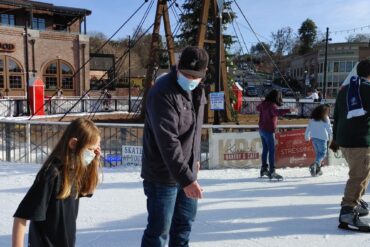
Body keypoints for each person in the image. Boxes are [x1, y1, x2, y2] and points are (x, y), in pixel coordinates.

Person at [141, 46, 208, 247]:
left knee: (183, 227)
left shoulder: (199, 91)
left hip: (186, 172)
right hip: (162, 176)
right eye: (186, 74)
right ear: (178, 67)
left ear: (203, 74)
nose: (190, 79)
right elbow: (168, 141)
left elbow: (194, 131)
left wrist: (194, 158)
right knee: (159, 231)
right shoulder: (162, 92)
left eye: (195, 76)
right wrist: (187, 179)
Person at [12, 118, 101, 246]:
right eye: (90, 150)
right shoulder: (52, 174)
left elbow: (88, 190)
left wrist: (95, 162)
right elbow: (21, 217)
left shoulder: (73, 170)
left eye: (95, 150)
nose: (92, 154)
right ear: (73, 144)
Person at [332, 59, 370, 231]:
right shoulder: (367, 89)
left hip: (345, 140)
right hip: (360, 140)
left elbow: (337, 115)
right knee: (359, 175)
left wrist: (335, 139)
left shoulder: (345, 89)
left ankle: (357, 200)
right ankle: (348, 209)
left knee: (362, 171)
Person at [257, 89, 295, 180]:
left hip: (261, 129)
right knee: (272, 151)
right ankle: (272, 171)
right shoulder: (272, 105)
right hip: (268, 130)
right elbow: (277, 112)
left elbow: (257, 108)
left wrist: (263, 104)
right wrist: (289, 110)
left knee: (265, 150)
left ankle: (264, 168)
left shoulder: (264, 104)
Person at [305, 104, 332, 176]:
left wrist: (307, 138)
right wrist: (333, 134)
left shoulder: (312, 119)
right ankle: (316, 164)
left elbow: (308, 129)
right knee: (323, 154)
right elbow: (329, 128)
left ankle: (317, 170)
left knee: (318, 155)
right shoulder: (325, 118)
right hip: (322, 139)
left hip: (314, 139)